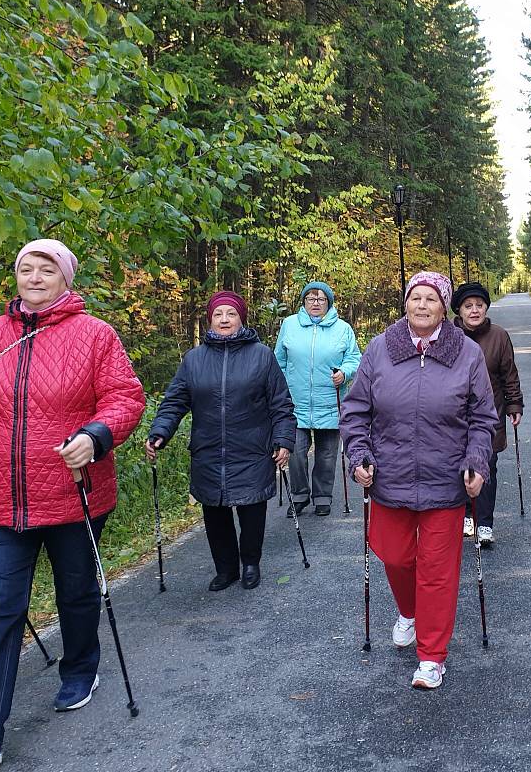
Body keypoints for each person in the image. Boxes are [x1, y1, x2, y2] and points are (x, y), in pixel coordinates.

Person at [0, 239, 145, 769]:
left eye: (45, 268)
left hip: (74, 496)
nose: (33, 276)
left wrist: (97, 435)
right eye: (25, 268)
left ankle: (79, 668)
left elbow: (126, 398)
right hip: (0, 503)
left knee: (76, 593)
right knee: (2, 608)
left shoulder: (95, 335)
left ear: (65, 279)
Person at [340, 271, 498, 690]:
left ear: (445, 308)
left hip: (446, 482)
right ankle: (408, 612)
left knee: (437, 571)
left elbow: (483, 418)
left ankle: (431, 656)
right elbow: (355, 412)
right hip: (389, 478)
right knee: (394, 556)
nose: (423, 305)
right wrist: (359, 455)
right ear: (405, 304)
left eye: (431, 298)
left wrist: (476, 462)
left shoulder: (466, 353)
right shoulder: (380, 349)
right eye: (416, 298)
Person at [146, 291, 295, 592]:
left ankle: (250, 563)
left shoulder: (261, 356)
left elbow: (281, 404)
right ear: (210, 319)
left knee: (252, 509)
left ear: (241, 318)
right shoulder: (194, 359)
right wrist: (160, 431)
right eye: (218, 314)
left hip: (252, 448)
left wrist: (283, 440)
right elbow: (175, 401)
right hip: (209, 450)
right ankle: (226, 569)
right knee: (215, 512)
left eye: (231, 314)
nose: (224, 319)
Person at [274, 281, 362, 517]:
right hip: (295, 402)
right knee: (296, 452)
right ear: (303, 302)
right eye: (311, 298)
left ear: (329, 303)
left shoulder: (343, 328)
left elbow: (355, 358)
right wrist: (280, 387)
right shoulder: (289, 325)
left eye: (321, 299)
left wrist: (344, 373)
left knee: (327, 454)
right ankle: (299, 496)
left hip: (330, 401)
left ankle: (323, 497)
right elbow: (278, 361)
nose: (315, 303)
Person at [451, 281, 524, 545]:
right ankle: (466, 515)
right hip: (455, 416)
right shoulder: (448, 336)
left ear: (486, 308)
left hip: (490, 413)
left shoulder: (499, 336)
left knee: (486, 467)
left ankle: (484, 522)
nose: (474, 311)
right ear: (459, 310)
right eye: (468, 306)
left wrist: (515, 405)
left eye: (479, 305)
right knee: (458, 465)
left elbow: (509, 375)